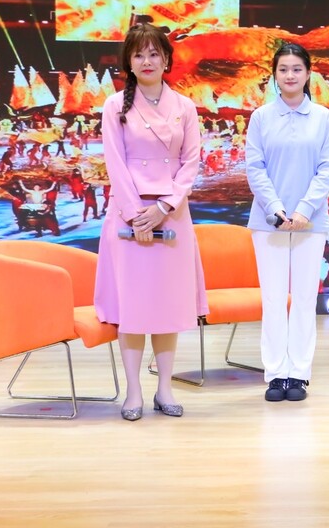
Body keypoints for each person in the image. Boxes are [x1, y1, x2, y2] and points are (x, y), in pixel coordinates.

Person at [93, 22, 207, 422]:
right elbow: (115, 163)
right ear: (128, 61)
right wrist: (136, 215)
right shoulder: (114, 106)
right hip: (128, 216)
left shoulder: (185, 107)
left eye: (154, 53)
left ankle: (165, 389)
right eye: (138, 54)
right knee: (133, 306)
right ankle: (133, 392)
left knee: (166, 305)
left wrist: (164, 206)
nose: (146, 61)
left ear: (166, 59)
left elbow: (191, 162)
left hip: (171, 215)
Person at [246, 43, 329, 403]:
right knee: (272, 300)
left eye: (296, 69)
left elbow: (326, 169)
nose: (290, 75)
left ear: (308, 73)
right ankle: (275, 374)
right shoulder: (261, 117)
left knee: (303, 299)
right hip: (268, 221)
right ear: (274, 75)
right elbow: (255, 167)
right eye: (283, 69)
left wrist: (303, 210)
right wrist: (275, 208)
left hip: (310, 223)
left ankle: (298, 373)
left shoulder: (323, 118)